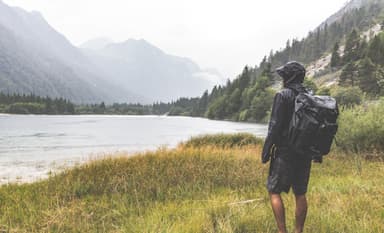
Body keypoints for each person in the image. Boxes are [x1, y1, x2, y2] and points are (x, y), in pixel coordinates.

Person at [261, 61, 312, 233]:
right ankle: (299, 231)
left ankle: (282, 231)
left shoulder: (283, 95)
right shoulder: (310, 96)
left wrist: (266, 150)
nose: (282, 78)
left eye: (283, 75)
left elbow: (274, 126)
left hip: (285, 151)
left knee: (274, 191)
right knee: (300, 193)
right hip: (305, 152)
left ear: (289, 77)